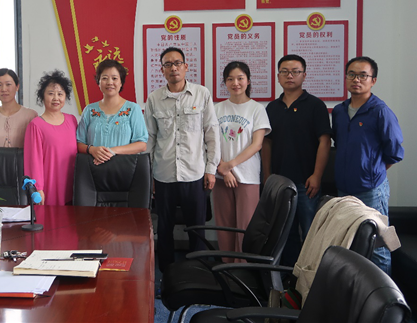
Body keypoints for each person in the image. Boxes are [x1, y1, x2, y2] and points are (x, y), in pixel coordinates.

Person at [144, 46, 220, 273]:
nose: (173, 68)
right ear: (162, 70)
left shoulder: (201, 94)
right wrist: (149, 176)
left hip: (194, 174)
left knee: (196, 228)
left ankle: (198, 272)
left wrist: (211, 169)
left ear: (186, 67)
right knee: (164, 228)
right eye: (168, 64)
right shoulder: (154, 98)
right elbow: (149, 139)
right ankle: (166, 274)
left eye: (177, 63)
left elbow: (212, 133)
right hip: (163, 174)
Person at [332, 56, 404, 275]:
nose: (357, 80)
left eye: (363, 75)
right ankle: (357, 289)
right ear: (346, 78)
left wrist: (372, 171)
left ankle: (384, 294)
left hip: (371, 190)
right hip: (344, 189)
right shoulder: (339, 111)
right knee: (351, 241)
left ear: (373, 80)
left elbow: (394, 152)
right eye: (352, 74)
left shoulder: (380, 111)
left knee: (379, 244)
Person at [262, 54, 331, 267]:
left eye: (295, 72)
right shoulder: (272, 108)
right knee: (285, 233)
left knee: (310, 232)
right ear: (278, 76)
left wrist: (317, 175)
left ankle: (309, 276)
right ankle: (288, 275)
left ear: (304, 75)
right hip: (280, 182)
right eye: (284, 72)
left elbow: (325, 141)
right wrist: (267, 176)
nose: (290, 76)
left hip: (306, 182)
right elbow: (267, 143)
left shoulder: (315, 105)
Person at [214, 61, 271, 263]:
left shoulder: (257, 109)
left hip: (247, 176)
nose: (235, 83)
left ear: (248, 81)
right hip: (220, 176)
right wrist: (223, 170)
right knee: (224, 226)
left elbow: (257, 144)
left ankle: (243, 271)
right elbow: (210, 142)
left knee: (246, 227)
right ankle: (226, 269)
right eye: (230, 79)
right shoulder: (217, 108)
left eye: (240, 78)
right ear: (225, 82)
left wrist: (230, 165)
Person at [77, 59, 148, 164]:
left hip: (124, 168)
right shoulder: (89, 110)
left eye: (114, 78)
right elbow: (79, 143)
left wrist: (112, 151)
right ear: (98, 82)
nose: (110, 82)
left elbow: (141, 145)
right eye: (104, 78)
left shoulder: (133, 109)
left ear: (121, 82)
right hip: (94, 168)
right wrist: (91, 149)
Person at [24, 70, 77, 206]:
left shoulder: (72, 120)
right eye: (51, 93)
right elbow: (33, 161)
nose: (56, 98)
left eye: (60, 94)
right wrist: (38, 188)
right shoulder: (36, 125)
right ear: (42, 96)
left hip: (73, 186)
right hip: (49, 188)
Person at [0, 68, 37, 147]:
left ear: (17, 87)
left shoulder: (31, 115)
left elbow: (35, 147)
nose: (4, 89)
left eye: (8, 84)